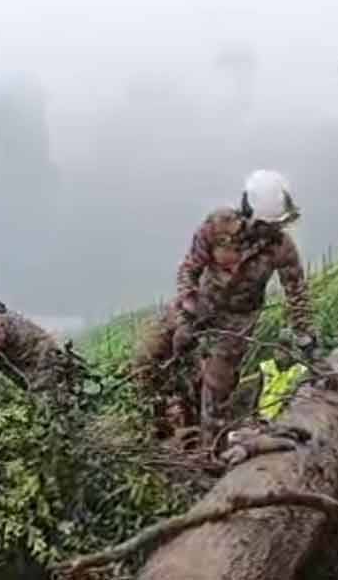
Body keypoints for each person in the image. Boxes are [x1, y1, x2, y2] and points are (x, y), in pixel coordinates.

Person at [132, 169, 318, 447]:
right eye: (265, 224)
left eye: (275, 225)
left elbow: (296, 290)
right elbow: (188, 270)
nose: (270, 231)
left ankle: (210, 449)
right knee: (148, 357)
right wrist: (185, 316)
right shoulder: (217, 226)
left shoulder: (281, 246)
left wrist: (304, 334)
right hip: (199, 305)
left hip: (238, 319)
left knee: (217, 387)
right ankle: (154, 432)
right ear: (247, 211)